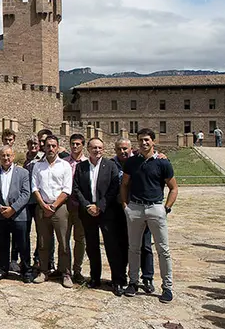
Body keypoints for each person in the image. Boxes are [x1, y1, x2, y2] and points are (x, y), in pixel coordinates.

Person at [121, 128, 178, 303]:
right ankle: (133, 282)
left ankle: (167, 287)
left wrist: (166, 208)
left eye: (147, 140)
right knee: (134, 248)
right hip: (135, 208)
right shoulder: (131, 162)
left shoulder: (163, 163)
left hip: (155, 207)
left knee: (163, 249)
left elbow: (173, 188)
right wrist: (125, 206)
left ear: (153, 141)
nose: (144, 143)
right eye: (140, 140)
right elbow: (124, 184)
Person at [72, 138, 128, 296]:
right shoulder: (81, 167)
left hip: (107, 212)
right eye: (94, 147)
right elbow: (76, 188)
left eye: (100, 147)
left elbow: (114, 188)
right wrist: (88, 206)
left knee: (112, 247)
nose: (97, 150)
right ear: (88, 149)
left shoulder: (110, 166)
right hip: (88, 212)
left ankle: (117, 280)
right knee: (92, 246)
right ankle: (95, 277)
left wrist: (100, 206)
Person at [112, 137, 155, 293]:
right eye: (119, 149)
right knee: (121, 245)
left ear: (131, 149)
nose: (122, 151)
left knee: (145, 245)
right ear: (115, 150)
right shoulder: (110, 164)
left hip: (140, 208)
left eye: (125, 149)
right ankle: (120, 278)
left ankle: (147, 278)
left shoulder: (139, 161)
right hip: (118, 210)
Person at [31, 135, 74, 288]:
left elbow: (67, 189)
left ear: (57, 147)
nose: (50, 149)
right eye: (48, 146)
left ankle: (66, 273)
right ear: (44, 147)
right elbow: (34, 187)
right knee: (43, 242)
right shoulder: (38, 166)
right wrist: (43, 205)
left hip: (60, 208)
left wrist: (54, 206)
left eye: (53, 146)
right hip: (42, 207)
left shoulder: (65, 166)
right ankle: (43, 270)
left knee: (63, 242)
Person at [0, 145, 32, 283]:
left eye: (8, 155)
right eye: (3, 156)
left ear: (13, 157)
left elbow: (26, 193)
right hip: (0, 214)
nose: (6, 158)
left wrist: (13, 208)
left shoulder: (23, 173)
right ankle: (3, 269)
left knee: (23, 244)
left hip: (18, 214)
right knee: (2, 243)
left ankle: (26, 271)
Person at [63, 133, 87, 284]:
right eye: (73, 143)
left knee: (80, 240)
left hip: (81, 207)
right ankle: (65, 271)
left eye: (78, 144)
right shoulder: (63, 162)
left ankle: (77, 270)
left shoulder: (87, 163)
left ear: (82, 145)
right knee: (64, 239)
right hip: (65, 205)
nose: (75, 146)